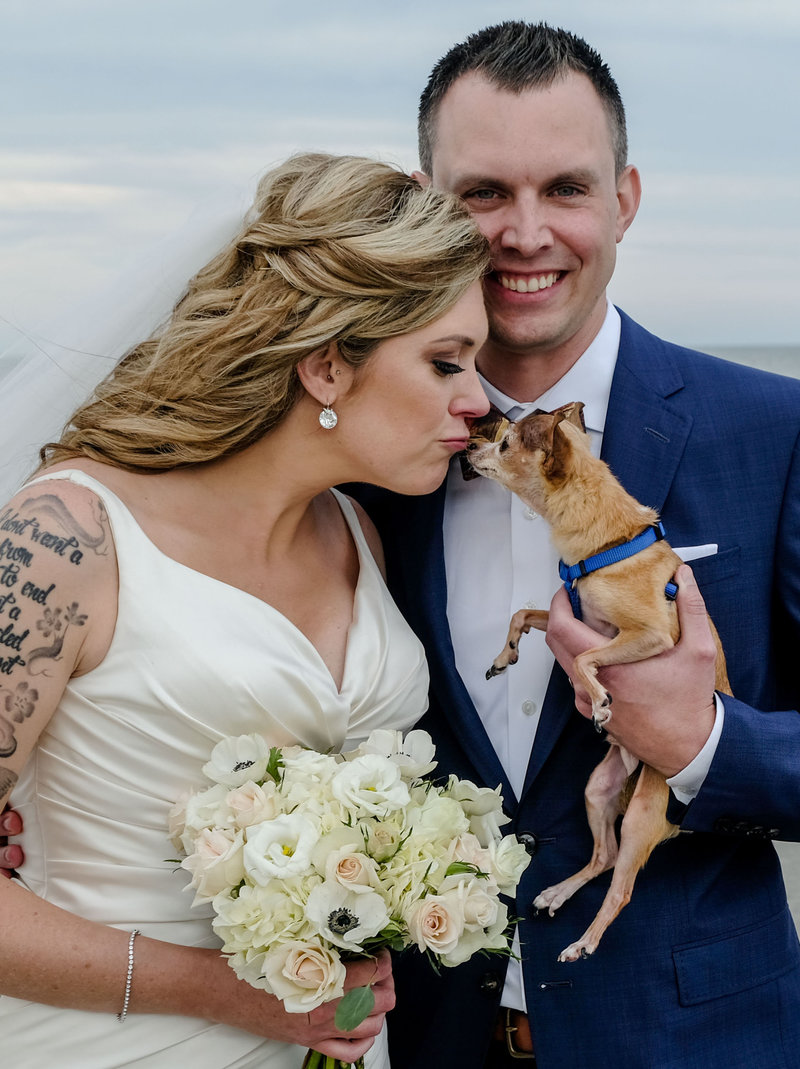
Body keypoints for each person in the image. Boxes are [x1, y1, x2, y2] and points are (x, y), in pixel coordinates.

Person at [349, 21, 800, 1069]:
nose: (522, 232)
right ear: (427, 203)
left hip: (692, 1038)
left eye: (562, 188)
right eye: (480, 194)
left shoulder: (772, 434)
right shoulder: (359, 462)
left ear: (623, 199)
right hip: (416, 1037)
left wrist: (701, 746)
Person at [0, 150, 491, 1067]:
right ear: (328, 367)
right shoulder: (67, 536)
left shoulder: (357, 535)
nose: (477, 400)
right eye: (445, 362)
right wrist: (227, 990)